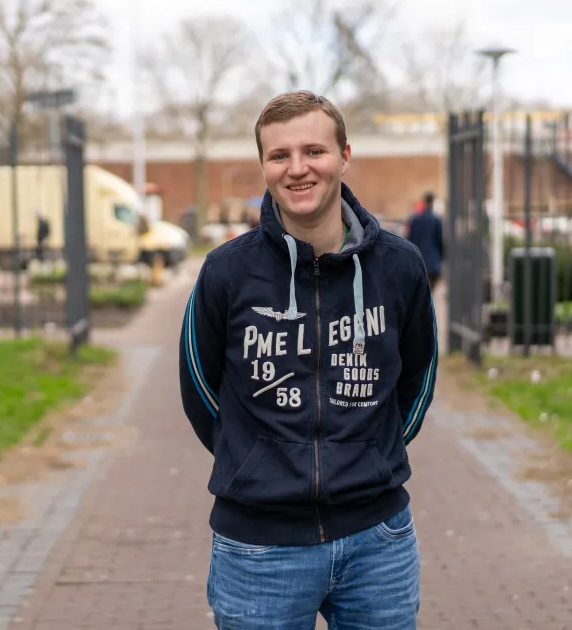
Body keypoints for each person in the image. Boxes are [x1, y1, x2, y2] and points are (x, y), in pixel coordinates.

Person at [178, 90, 438, 629]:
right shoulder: (226, 273)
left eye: (314, 151)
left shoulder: (399, 266)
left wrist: (370, 453)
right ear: (264, 166)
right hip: (258, 549)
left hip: (378, 542)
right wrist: (255, 460)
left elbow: (419, 375)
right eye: (279, 155)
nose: (298, 169)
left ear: (344, 156)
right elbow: (200, 387)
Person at [406, 192, 444, 291]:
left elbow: (409, 240)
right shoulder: (436, 220)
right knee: (430, 292)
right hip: (432, 263)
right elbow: (440, 241)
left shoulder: (415, 219)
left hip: (418, 262)